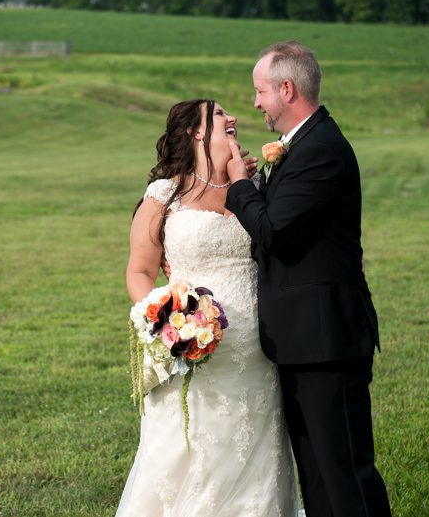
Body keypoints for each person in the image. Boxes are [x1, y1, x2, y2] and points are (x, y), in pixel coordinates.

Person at [225, 41, 392, 517]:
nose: (255, 103)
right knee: (317, 475)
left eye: (260, 92)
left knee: (345, 476)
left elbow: (274, 231)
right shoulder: (305, 144)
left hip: (327, 342)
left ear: (287, 88)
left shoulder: (320, 149)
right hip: (305, 341)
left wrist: (240, 186)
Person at [118, 99, 300, 516]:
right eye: (220, 114)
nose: (232, 118)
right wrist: (166, 317)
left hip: (257, 352)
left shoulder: (253, 190)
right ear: (196, 132)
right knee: (188, 454)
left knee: (255, 459)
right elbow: (139, 271)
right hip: (193, 351)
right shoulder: (165, 195)